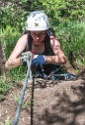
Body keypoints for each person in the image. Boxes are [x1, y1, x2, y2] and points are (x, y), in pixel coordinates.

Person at [5, 11, 76, 80]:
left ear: (46, 31)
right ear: (29, 32)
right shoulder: (24, 40)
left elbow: (62, 59)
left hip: (52, 75)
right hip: (31, 77)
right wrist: (23, 59)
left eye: (41, 33)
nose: (37, 37)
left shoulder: (52, 41)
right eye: (34, 34)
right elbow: (8, 64)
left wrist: (44, 59)